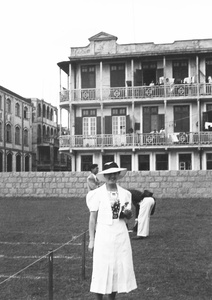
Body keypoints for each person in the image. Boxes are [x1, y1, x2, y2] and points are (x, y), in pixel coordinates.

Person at [86, 162, 137, 299]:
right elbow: (92, 218)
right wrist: (92, 239)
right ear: (104, 176)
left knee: (116, 268)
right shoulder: (96, 194)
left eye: (115, 174)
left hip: (120, 233)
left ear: (118, 175)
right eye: (109, 174)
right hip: (103, 234)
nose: (112, 177)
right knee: (102, 268)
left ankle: (112, 298)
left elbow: (126, 217)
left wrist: (128, 215)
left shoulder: (125, 194)